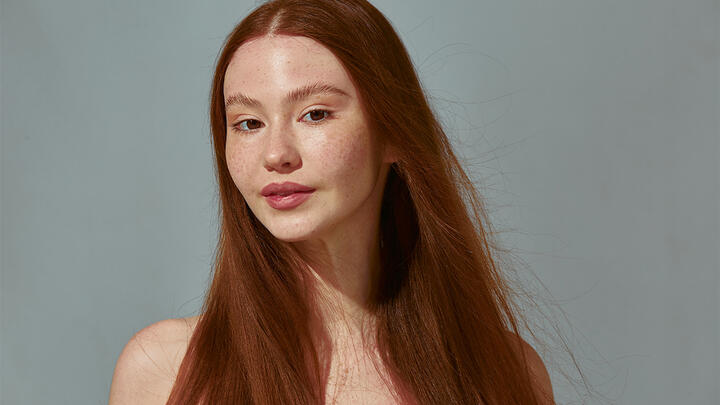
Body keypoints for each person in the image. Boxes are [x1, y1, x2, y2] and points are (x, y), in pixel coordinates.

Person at [108, 0, 555, 404]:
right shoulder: (162, 371)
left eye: (315, 114)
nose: (276, 153)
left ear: (394, 131)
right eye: (247, 123)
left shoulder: (507, 374)